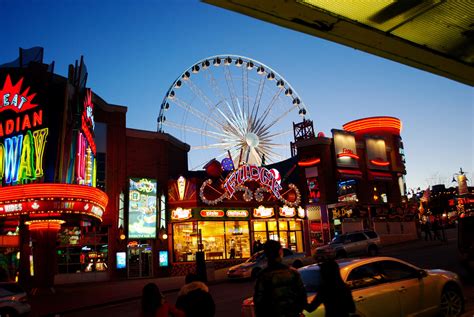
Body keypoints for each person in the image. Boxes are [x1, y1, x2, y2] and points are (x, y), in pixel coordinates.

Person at [253, 240, 307, 317]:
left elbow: (258, 302)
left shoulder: (262, 276)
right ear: (280, 252)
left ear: (266, 254)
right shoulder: (293, 273)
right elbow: (302, 298)